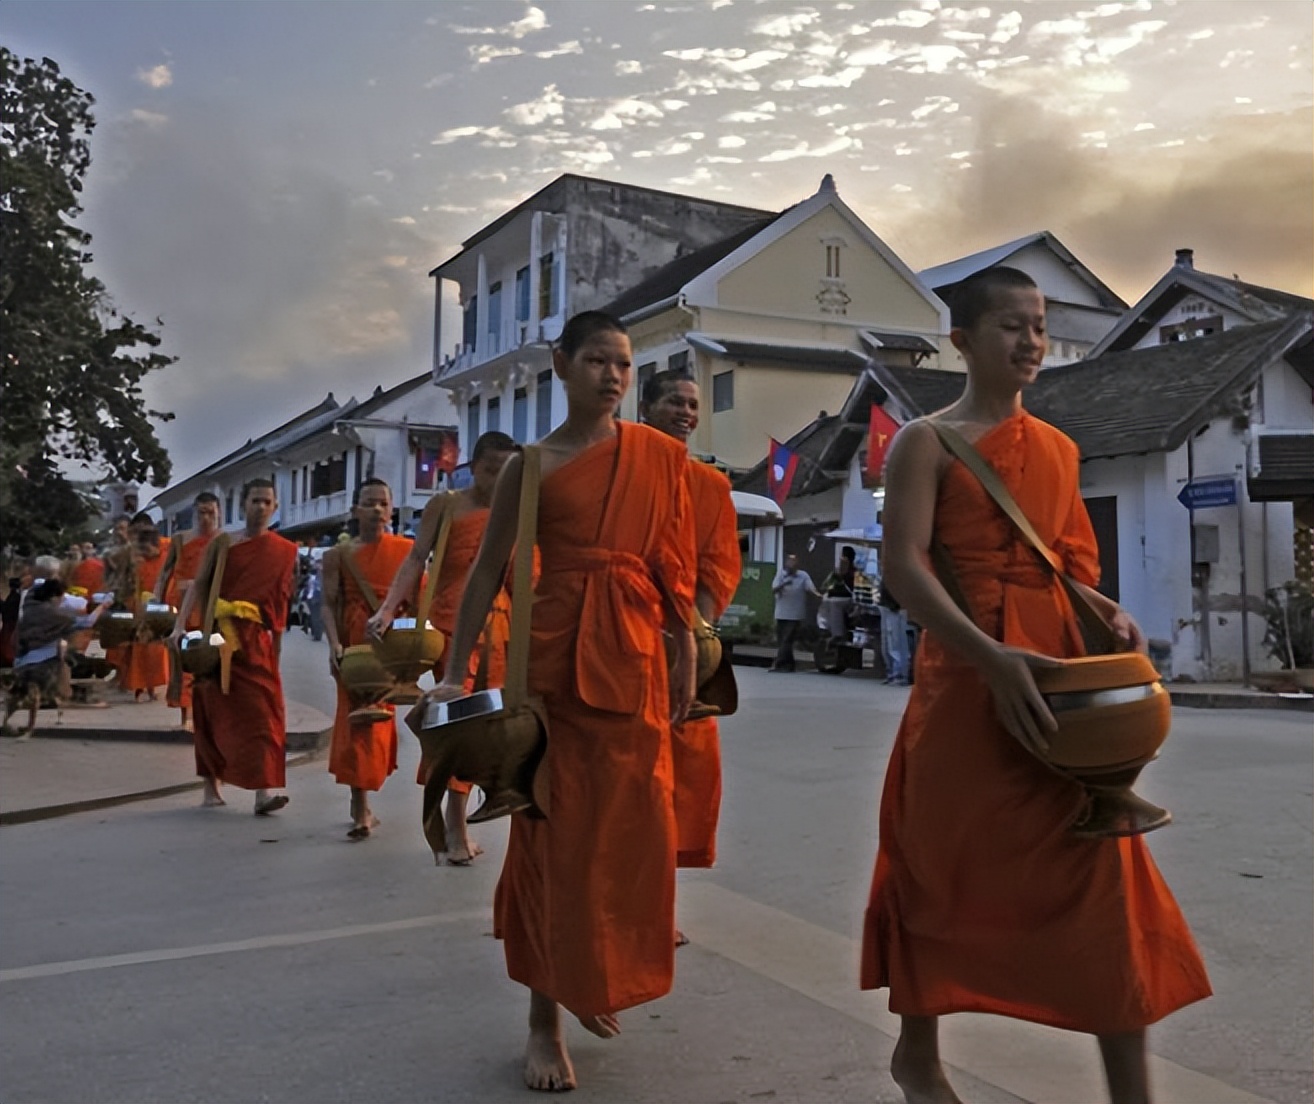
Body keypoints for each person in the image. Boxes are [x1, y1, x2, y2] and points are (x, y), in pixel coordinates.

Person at [860, 266, 1209, 1104]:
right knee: (936, 868)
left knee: (1104, 881)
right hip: (965, 684)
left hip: (1058, 692)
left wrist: (1106, 609)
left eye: (1040, 326)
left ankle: (1132, 1092)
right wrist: (988, 656)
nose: (1032, 343)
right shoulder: (925, 443)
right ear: (964, 340)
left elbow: (1062, 567)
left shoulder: (1056, 447)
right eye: (1012, 326)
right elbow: (904, 568)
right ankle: (918, 1055)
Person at [423, 311, 697, 1092]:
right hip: (552, 665)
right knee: (553, 842)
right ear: (561, 365)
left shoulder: (656, 456)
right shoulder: (531, 467)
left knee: (629, 836)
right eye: (598, 361)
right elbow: (487, 569)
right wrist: (455, 669)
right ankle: (543, 1019)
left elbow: (671, 561)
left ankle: (592, 972)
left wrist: (686, 647)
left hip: (635, 661)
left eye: (624, 364)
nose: (614, 376)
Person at [367, 430, 520, 865]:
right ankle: (454, 826)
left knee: (491, 727)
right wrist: (387, 609)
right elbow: (416, 558)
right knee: (460, 725)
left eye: (507, 471)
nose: (498, 480)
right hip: (453, 627)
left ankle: (469, 813)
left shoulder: (516, 509)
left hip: (502, 628)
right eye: (490, 470)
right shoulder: (447, 505)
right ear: (473, 467)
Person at [639, 369, 741, 877]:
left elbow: (718, 566)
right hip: (621, 629)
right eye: (675, 402)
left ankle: (661, 886)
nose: (686, 413)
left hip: (683, 640)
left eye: (693, 405)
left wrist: (696, 636)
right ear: (645, 410)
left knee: (687, 766)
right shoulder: (621, 473)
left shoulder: (709, 485)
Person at [173, 478, 299, 814]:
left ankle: (263, 791)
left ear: (275, 507)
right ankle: (210, 787)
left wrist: (276, 649)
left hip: (255, 640)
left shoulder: (284, 551)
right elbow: (199, 585)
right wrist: (180, 626)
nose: (261, 507)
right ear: (243, 505)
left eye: (267, 502)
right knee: (211, 709)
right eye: (255, 500)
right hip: (217, 636)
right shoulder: (223, 544)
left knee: (265, 714)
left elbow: (279, 603)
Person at [321, 478, 412, 840]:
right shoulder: (337, 556)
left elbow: (418, 602)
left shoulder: (407, 551)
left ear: (391, 511)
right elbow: (328, 604)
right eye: (369, 503)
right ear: (355, 510)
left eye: (382, 503)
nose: (376, 509)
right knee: (355, 723)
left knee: (379, 722)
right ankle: (360, 806)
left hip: (389, 646)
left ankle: (362, 800)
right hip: (353, 648)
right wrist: (333, 645)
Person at [4, 579, 109, 736]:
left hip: (22, 659)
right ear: (53, 597)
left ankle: (17, 724)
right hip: (42, 660)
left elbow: (34, 590)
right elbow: (87, 622)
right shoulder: (52, 614)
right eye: (61, 597)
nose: (62, 600)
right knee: (35, 694)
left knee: (26, 694)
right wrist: (102, 607)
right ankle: (25, 726)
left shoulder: (30, 606)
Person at [155, 492, 222, 731]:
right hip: (181, 604)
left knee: (211, 660)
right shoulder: (180, 540)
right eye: (202, 513)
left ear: (218, 513)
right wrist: (155, 602)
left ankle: (210, 716)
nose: (206, 518)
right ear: (194, 513)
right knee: (183, 662)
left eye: (211, 513)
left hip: (210, 606)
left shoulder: (224, 541)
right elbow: (164, 573)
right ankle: (186, 717)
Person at [121, 525, 170, 702]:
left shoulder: (168, 557)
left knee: (157, 652)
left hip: (162, 609)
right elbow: (134, 588)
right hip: (142, 610)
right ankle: (141, 687)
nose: (144, 553)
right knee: (140, 651)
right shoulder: (139, 563)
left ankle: (152, 686)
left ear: (156, 545)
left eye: (147, 549)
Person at [770, 554, 819, 672]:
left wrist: (818, 595)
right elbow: (774, 589)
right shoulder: (781, 574)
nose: (791, 564)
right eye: (789, 561)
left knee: (787, 639)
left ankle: (780, 664)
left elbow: (810, 588)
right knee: (783, 640)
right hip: (781, 613)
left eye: (794, 561)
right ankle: (789, 664)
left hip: (795, 614)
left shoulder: (803, 576)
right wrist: (784, 584)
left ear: (797, 564)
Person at [877, 577, 910, 685]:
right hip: (887, 604)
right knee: (889, 642)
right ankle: (892, 672)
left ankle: (898, 674)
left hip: (895, 606)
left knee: (896, 641)